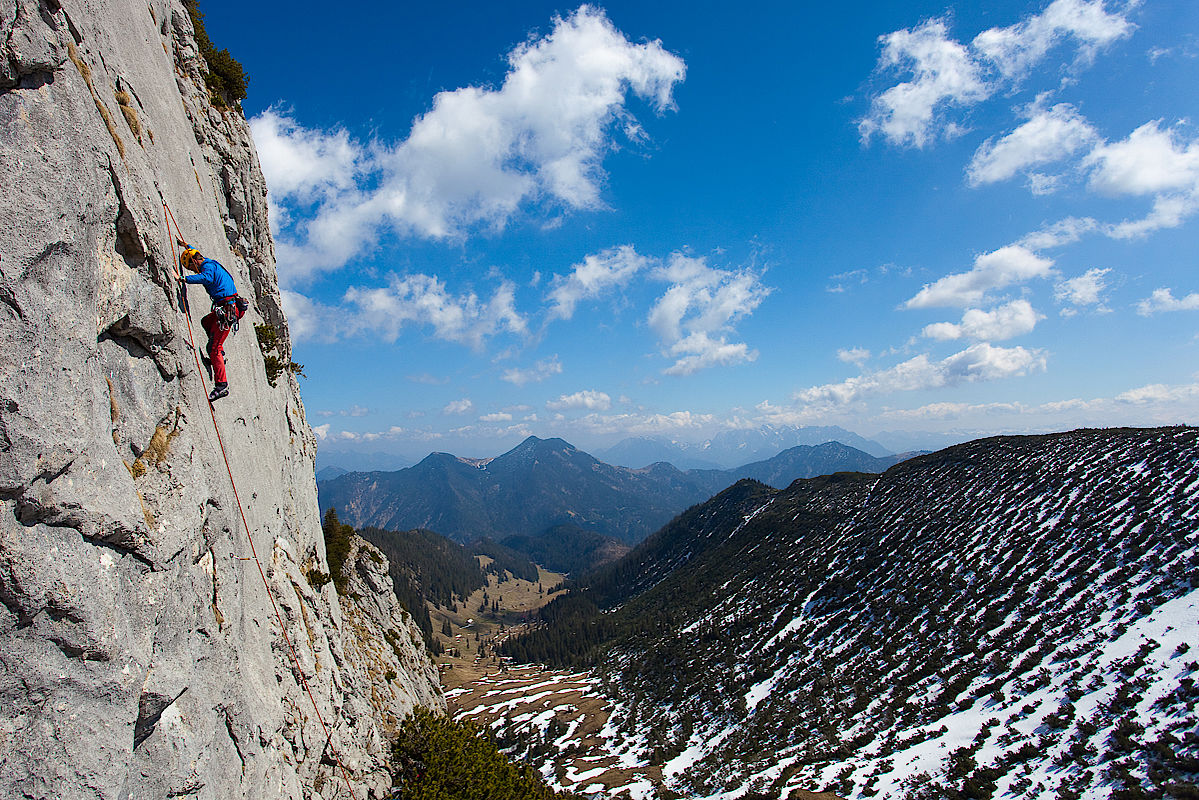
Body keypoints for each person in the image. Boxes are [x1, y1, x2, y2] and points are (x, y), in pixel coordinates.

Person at [177, 239, 246, 401]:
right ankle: (218, 355)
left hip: (229, 309)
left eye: (191, 267)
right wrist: (186, 245)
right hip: (228, 307)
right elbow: (195, 254)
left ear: (194, 262)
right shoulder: (209, 262)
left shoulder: (207, 267)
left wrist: (183, 279)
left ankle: (222, 385)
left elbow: (206, 278)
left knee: (214, 348)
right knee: (206, 322)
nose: (193, 270)